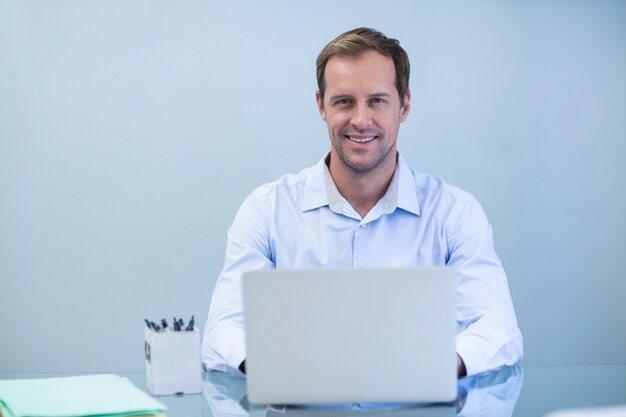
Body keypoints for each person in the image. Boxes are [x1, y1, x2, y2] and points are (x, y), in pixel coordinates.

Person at [201, 27, 523, 378]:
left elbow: (499, 331)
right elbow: (221, 333)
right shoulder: (267, 210)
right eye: (344, 101)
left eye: (377, 101)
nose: (360, 120)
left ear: (405, 105)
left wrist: (430, 367)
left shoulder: (455, 214)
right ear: (321, 106)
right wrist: (279, 368)